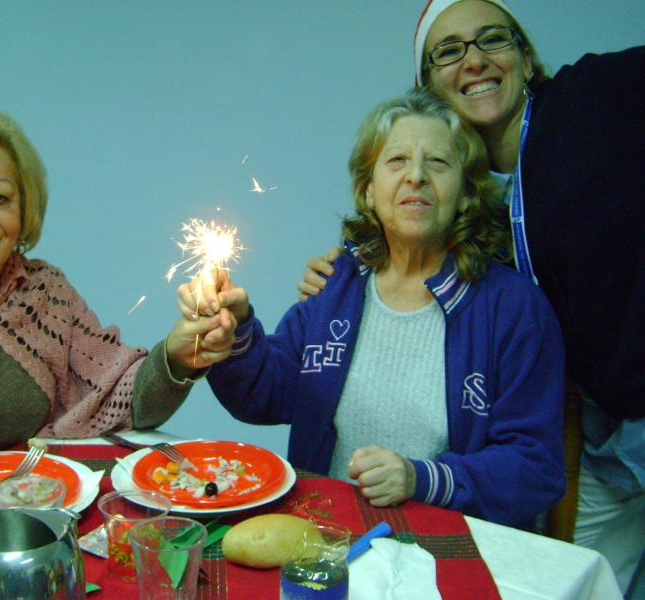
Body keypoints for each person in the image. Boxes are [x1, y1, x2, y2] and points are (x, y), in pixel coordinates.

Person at [297, 1, 645, 594]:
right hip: (610, 436)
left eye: (493, 39)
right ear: (428, 85)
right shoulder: (480, 230)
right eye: (450, 50)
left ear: (527, 55)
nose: (476, 60)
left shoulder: (597, 94)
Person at [0, 103, 235, 562]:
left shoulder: (44, 291)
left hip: (37, 535)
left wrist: (179, 353)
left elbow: (117, 399)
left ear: (24, 210)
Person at [179, 88, 565, 529]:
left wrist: (424, 479)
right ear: (368, 190)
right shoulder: (336, 285)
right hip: (325, 540)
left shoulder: (515, 309)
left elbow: (537, 468)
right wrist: (237, 332)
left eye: (437, 162)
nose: (416, 176)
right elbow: (264, 396)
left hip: (449, 553)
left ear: (465, 194)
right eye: (397, 161)